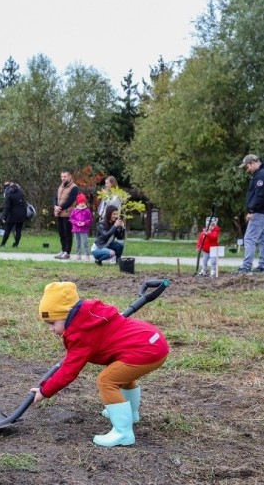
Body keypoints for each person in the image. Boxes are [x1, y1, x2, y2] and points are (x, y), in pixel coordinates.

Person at [30, 282, 169, 447]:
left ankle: (123, 433)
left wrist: (45, 391)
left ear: (67, 315)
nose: (50, 329)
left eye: (52, 323)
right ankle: (131, 414)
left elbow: (69, 371)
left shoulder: (81, 333)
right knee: (122, 376)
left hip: (145, 350)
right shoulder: (91, 315)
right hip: (154, 342)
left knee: (107, 381)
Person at [235, 154, 264, 274]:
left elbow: (259, 195)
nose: (247, 170)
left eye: (247, 167)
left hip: (260, 211)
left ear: (252, 163)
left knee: (249, 239)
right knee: (263, 238)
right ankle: (262, 266)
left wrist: (252, 210)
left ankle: (246, 267)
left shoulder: (261, 175)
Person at [53, 170, 79, 259]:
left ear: (70, 177)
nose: (63, 178)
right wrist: (55, 206)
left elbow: (71, 201)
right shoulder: (60, 187)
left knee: (67, 233)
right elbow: (55, 198)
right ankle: (63, 250)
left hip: (68, 214)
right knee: (61, 233)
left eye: (65, 176)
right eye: (62, 177)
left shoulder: (74, 188)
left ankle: (67, 252)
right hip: (59, 213)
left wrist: (60, 208)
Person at [0, 182, 27, 248]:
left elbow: (7, 207)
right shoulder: (20, 192)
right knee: (18, 230)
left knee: (7, 230)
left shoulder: (8, 194)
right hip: (21, 214)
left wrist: (4, 217)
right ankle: (16, 244)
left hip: (12, 215)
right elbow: (24, 204)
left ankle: (3, 244)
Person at [68, 193, 93, 261]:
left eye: (84, 202)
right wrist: (77, 223)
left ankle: (87, 255)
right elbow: (71, 219)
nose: (82, 204)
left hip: (84, 229)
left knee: (85, 242)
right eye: (81, 202)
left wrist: (84, 223)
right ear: (78, 202)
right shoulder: (75, 210)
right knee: (77, 242)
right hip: (76, 229)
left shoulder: (87, 211)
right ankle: (78, 255)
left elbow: (90, 219)